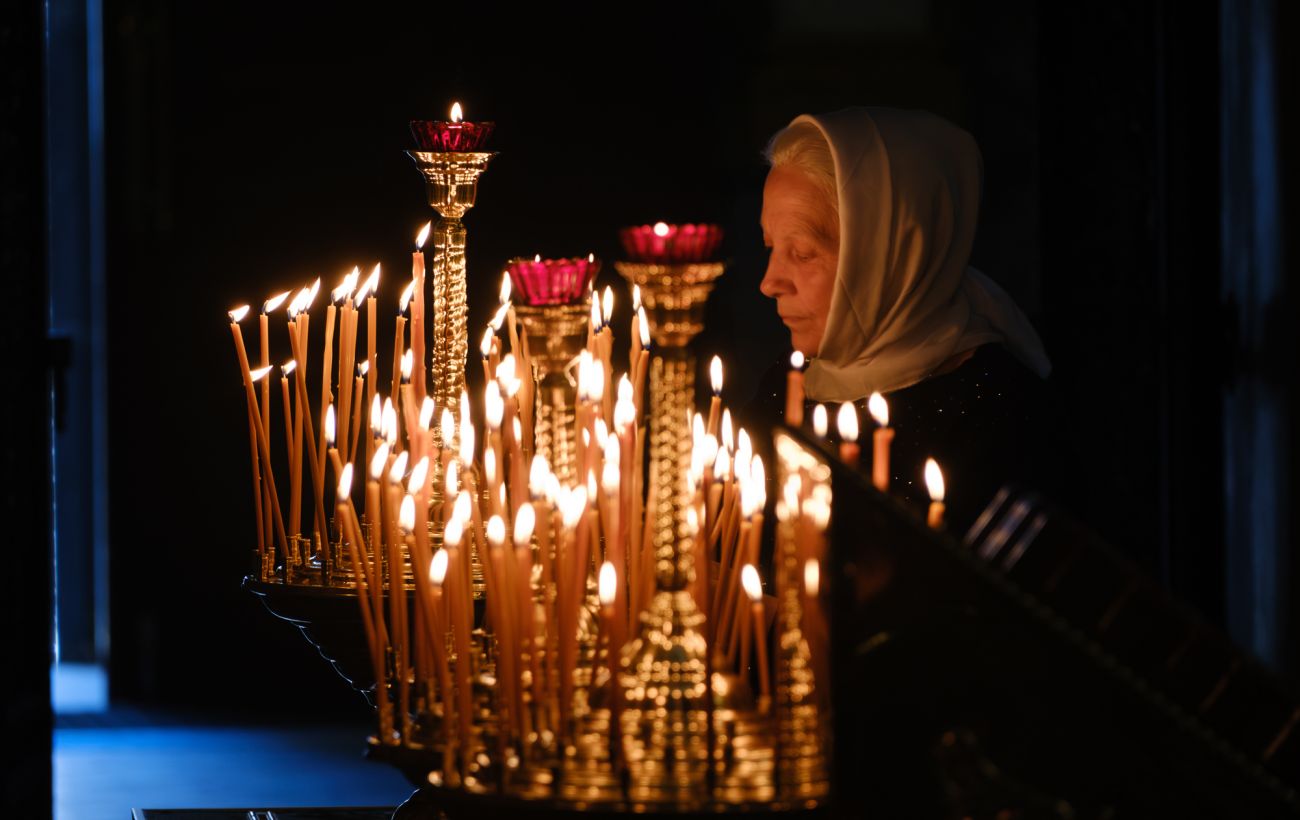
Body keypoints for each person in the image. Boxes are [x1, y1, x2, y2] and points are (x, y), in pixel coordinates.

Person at [753, 107, 1053, 531]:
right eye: (770, 247)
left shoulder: (997, 419)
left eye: (801, 253)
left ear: (888, 257)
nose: (769, 283)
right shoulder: (785, 390)